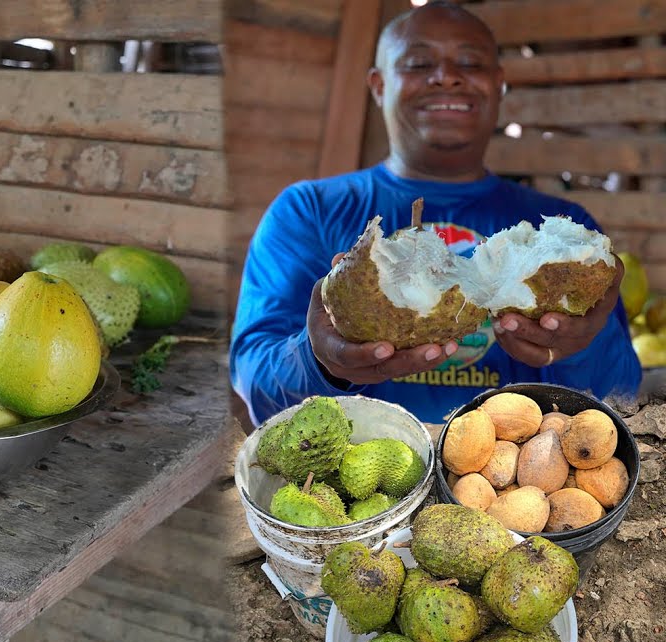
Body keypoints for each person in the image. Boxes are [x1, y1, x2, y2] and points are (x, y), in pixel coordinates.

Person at [229, 0, 640, 426]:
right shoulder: (308, 210)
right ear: (379, 86)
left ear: (498, 85)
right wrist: (320, 361)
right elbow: (255, 383)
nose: (446, 76)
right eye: (419, 63)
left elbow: (623, 397)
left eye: (470, 62)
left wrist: (583, 347)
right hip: (363, 466)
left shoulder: (566, 228)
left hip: (510, 464)